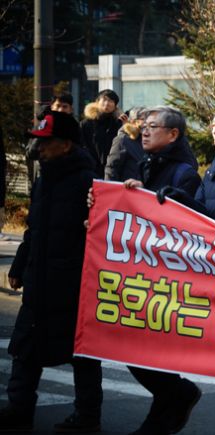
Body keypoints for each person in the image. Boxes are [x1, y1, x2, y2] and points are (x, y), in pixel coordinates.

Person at [0, 111, 100, 432]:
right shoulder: (44, 179)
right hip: (38, 281)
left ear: (66, 145)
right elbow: (34, 229)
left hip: (72, 284)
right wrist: (19, 264)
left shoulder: (89, 182)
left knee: (82, 354)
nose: (39, 149)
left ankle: (87, 417)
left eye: (46, 143)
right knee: (25, 348)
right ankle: (19, 408)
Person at [120, 106, 202, 434]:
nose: (145, 131)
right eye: (144, 126)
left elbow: (191, 221)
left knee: (150, 350)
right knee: (133, 349)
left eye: (153, 126)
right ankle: (175, 398)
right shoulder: (145, 162)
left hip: (169, 275)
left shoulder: (184, 172)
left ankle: (166, 410)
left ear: (173, 135)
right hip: (145, 270)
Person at [80, 89, 124, 177]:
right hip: (90, 169)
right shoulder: (86, 124)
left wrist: (126, 127)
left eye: (111, 101)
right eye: (104, 99)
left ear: (115, 105)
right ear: (97, 101)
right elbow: (81, 145)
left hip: (113, 170)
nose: (107, 103)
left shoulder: (118, 123)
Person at [104, 106, 146, 181]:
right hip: (127, 188)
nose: (147, 123)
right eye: (144, 119)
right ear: (133, 121)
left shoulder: (148, 138)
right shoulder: (122, 140)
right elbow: (111, 168)